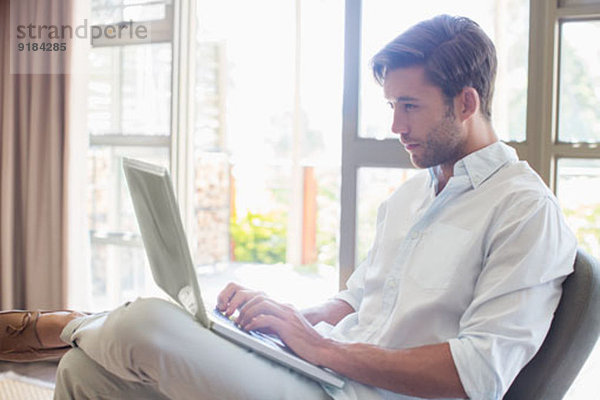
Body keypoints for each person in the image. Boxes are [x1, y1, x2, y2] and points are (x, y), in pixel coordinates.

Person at [0, 14, 577, 400]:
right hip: (325, 376)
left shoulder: (524, 211)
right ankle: (85, 334)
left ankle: (68, 323)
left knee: (147, 324)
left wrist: (325, 349)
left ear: (467, 102)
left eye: (409, 106)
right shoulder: (413, 194)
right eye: (390, 105)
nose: (395, 126)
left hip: (360, 392)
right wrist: (286, 320)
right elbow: (357, 299)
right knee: (85, 373)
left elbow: (480, 373)